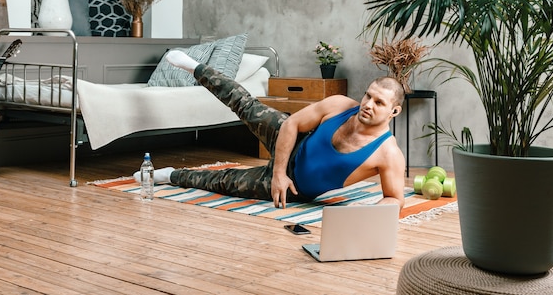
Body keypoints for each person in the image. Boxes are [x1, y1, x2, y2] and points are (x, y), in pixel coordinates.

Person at [135, 50, 406, 209]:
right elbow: (292, 123)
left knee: (222, 182)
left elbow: (394, 199)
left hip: (294, 188)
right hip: (290, 142)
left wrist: (368, 217)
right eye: (368, 95)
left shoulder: (388, 154)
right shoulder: (340, 105)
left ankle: (170, 175)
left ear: (394, 111)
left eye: (379, 102)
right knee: (245, 104)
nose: (368, 104)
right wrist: (278, 173)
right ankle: (195, 67)